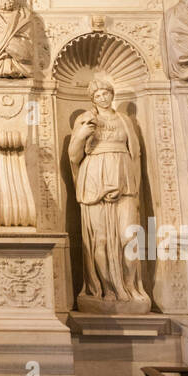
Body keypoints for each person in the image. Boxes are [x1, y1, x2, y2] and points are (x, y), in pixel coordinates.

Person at [68, 74, 150, 313]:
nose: (102, 97)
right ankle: (106, 290)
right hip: (94, 181)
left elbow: (135, 154)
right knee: (100, 241)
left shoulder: (124, 120)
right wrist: (82, 135)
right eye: (97, 95)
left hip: (124, 182)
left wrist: (134, 187)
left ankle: (130, 288)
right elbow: (74, 156)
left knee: (129, 237)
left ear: (112, 95)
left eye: (106, 93)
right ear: (92, 99)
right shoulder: (85, 119)